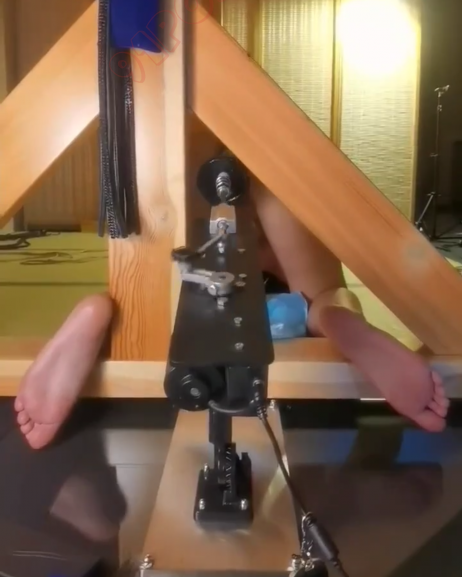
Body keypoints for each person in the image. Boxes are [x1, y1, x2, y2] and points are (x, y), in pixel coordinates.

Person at [14, 183, 449, 450]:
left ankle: (102, 312)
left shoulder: (164, 161)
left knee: (145, 309)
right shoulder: (264, 178)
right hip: (284, 308)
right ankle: (341, 321)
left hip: (182, 306)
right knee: (324, 298)